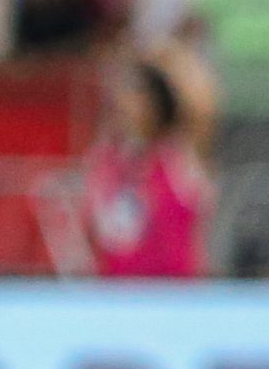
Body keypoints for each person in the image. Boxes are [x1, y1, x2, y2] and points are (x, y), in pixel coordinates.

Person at [83, 61, 212, 279]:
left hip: (175, 296)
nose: (126, 103)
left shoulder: (179, 155)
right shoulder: (106, 158)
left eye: (136, 94)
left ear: (156, 102)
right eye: (123, 94)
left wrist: (159, 57)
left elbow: (202, 103)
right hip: (116, 295)